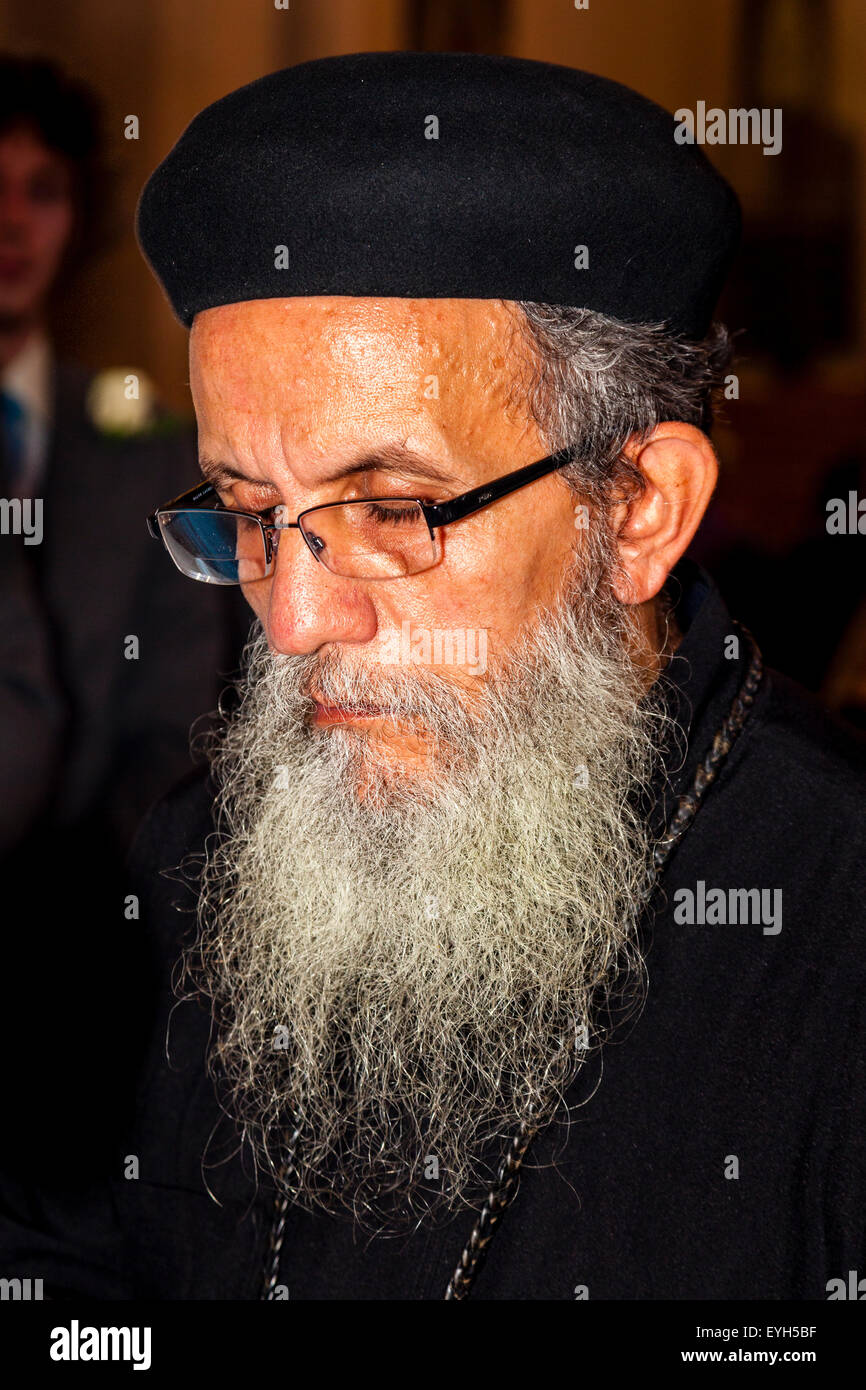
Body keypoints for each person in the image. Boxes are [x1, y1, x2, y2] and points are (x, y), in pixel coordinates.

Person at [1, 51, 863, 1301]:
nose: (291, 623)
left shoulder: (830, 934)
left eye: (390, 509)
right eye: (249, 512)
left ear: (635, 510)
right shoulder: (197, 858)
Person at [0, 55, 249, 1175]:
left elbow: (174, 733)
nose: (9, 224)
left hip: (77, 964)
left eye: (42, 191)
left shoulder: (145, 450)